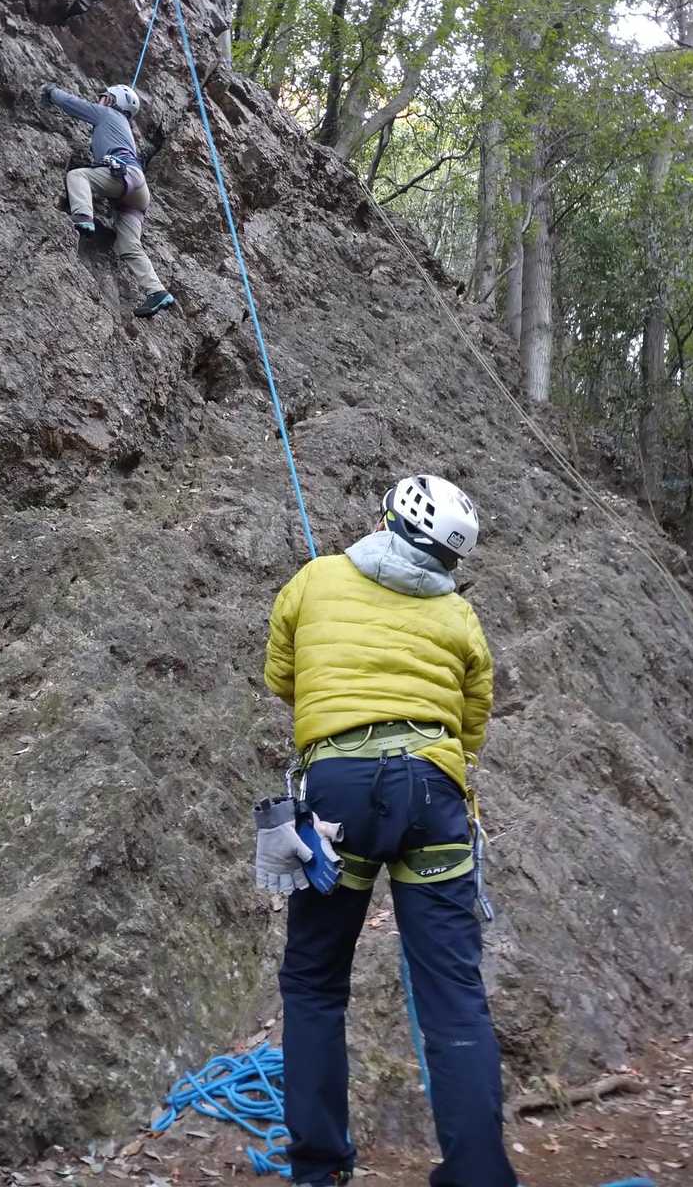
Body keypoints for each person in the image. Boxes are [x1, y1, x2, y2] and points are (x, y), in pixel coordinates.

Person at [258, 474, 516, 1187]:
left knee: (314, 980)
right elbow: (472, 721)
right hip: (433, 789)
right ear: (450, 557)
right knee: (453, 993)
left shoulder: (316, 580)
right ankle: (479, 1175)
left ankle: (319, 1169)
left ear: (386, 520)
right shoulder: (459, 616)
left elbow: (282, 677)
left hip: (338, 788)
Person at [40, 81, 175, 318]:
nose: (99, 100)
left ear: (112, 101)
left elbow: (73, 104)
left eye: (104, 97)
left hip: (124, 177)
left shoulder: (107, 114)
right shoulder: (123, 128)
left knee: (78, 175)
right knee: (128, 245)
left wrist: (51, 91)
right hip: (138, 192)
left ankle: (83, 217)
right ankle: (157, 291)